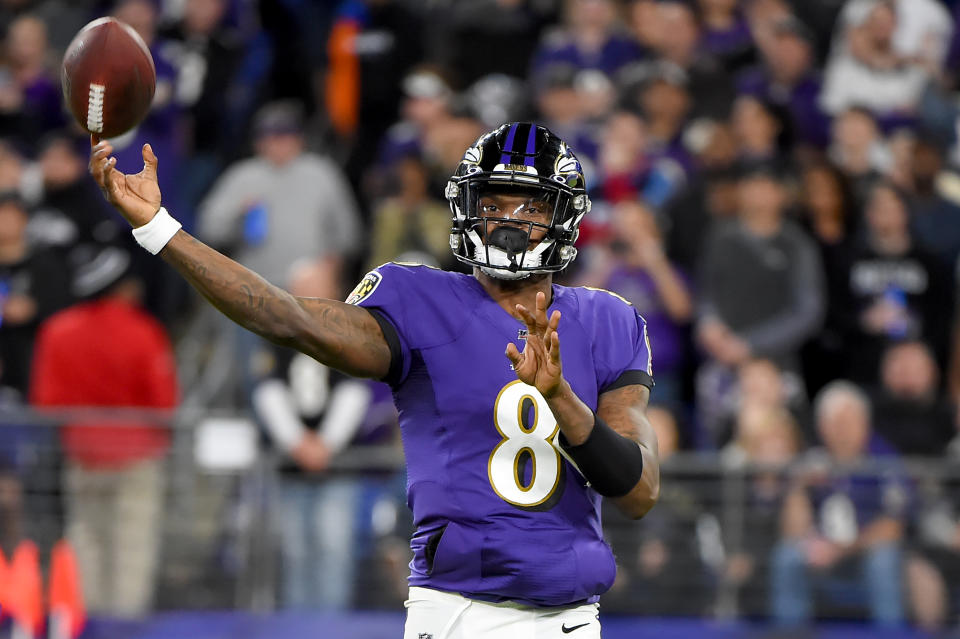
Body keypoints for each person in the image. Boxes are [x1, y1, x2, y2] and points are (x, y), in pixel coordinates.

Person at [89, 121, 660, 638]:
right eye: (494, 202)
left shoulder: (609, 320)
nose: (508, 221)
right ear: (468, 208)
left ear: (562, 216)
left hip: (571, 619)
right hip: (458, 611)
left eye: (529, 207)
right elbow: (288, 318)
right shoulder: (418, 299)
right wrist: (161, 230)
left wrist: (561, 399)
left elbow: (637, 491)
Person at [30, 246, 178, 617]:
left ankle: (88, 626)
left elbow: (46, 403)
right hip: (136, 459)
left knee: (85, 542)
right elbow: (165, 405)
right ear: (121, 287)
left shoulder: (57, 332)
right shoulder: (144, 333)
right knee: (131, 548)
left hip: (81, 455)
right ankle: (123, 632)